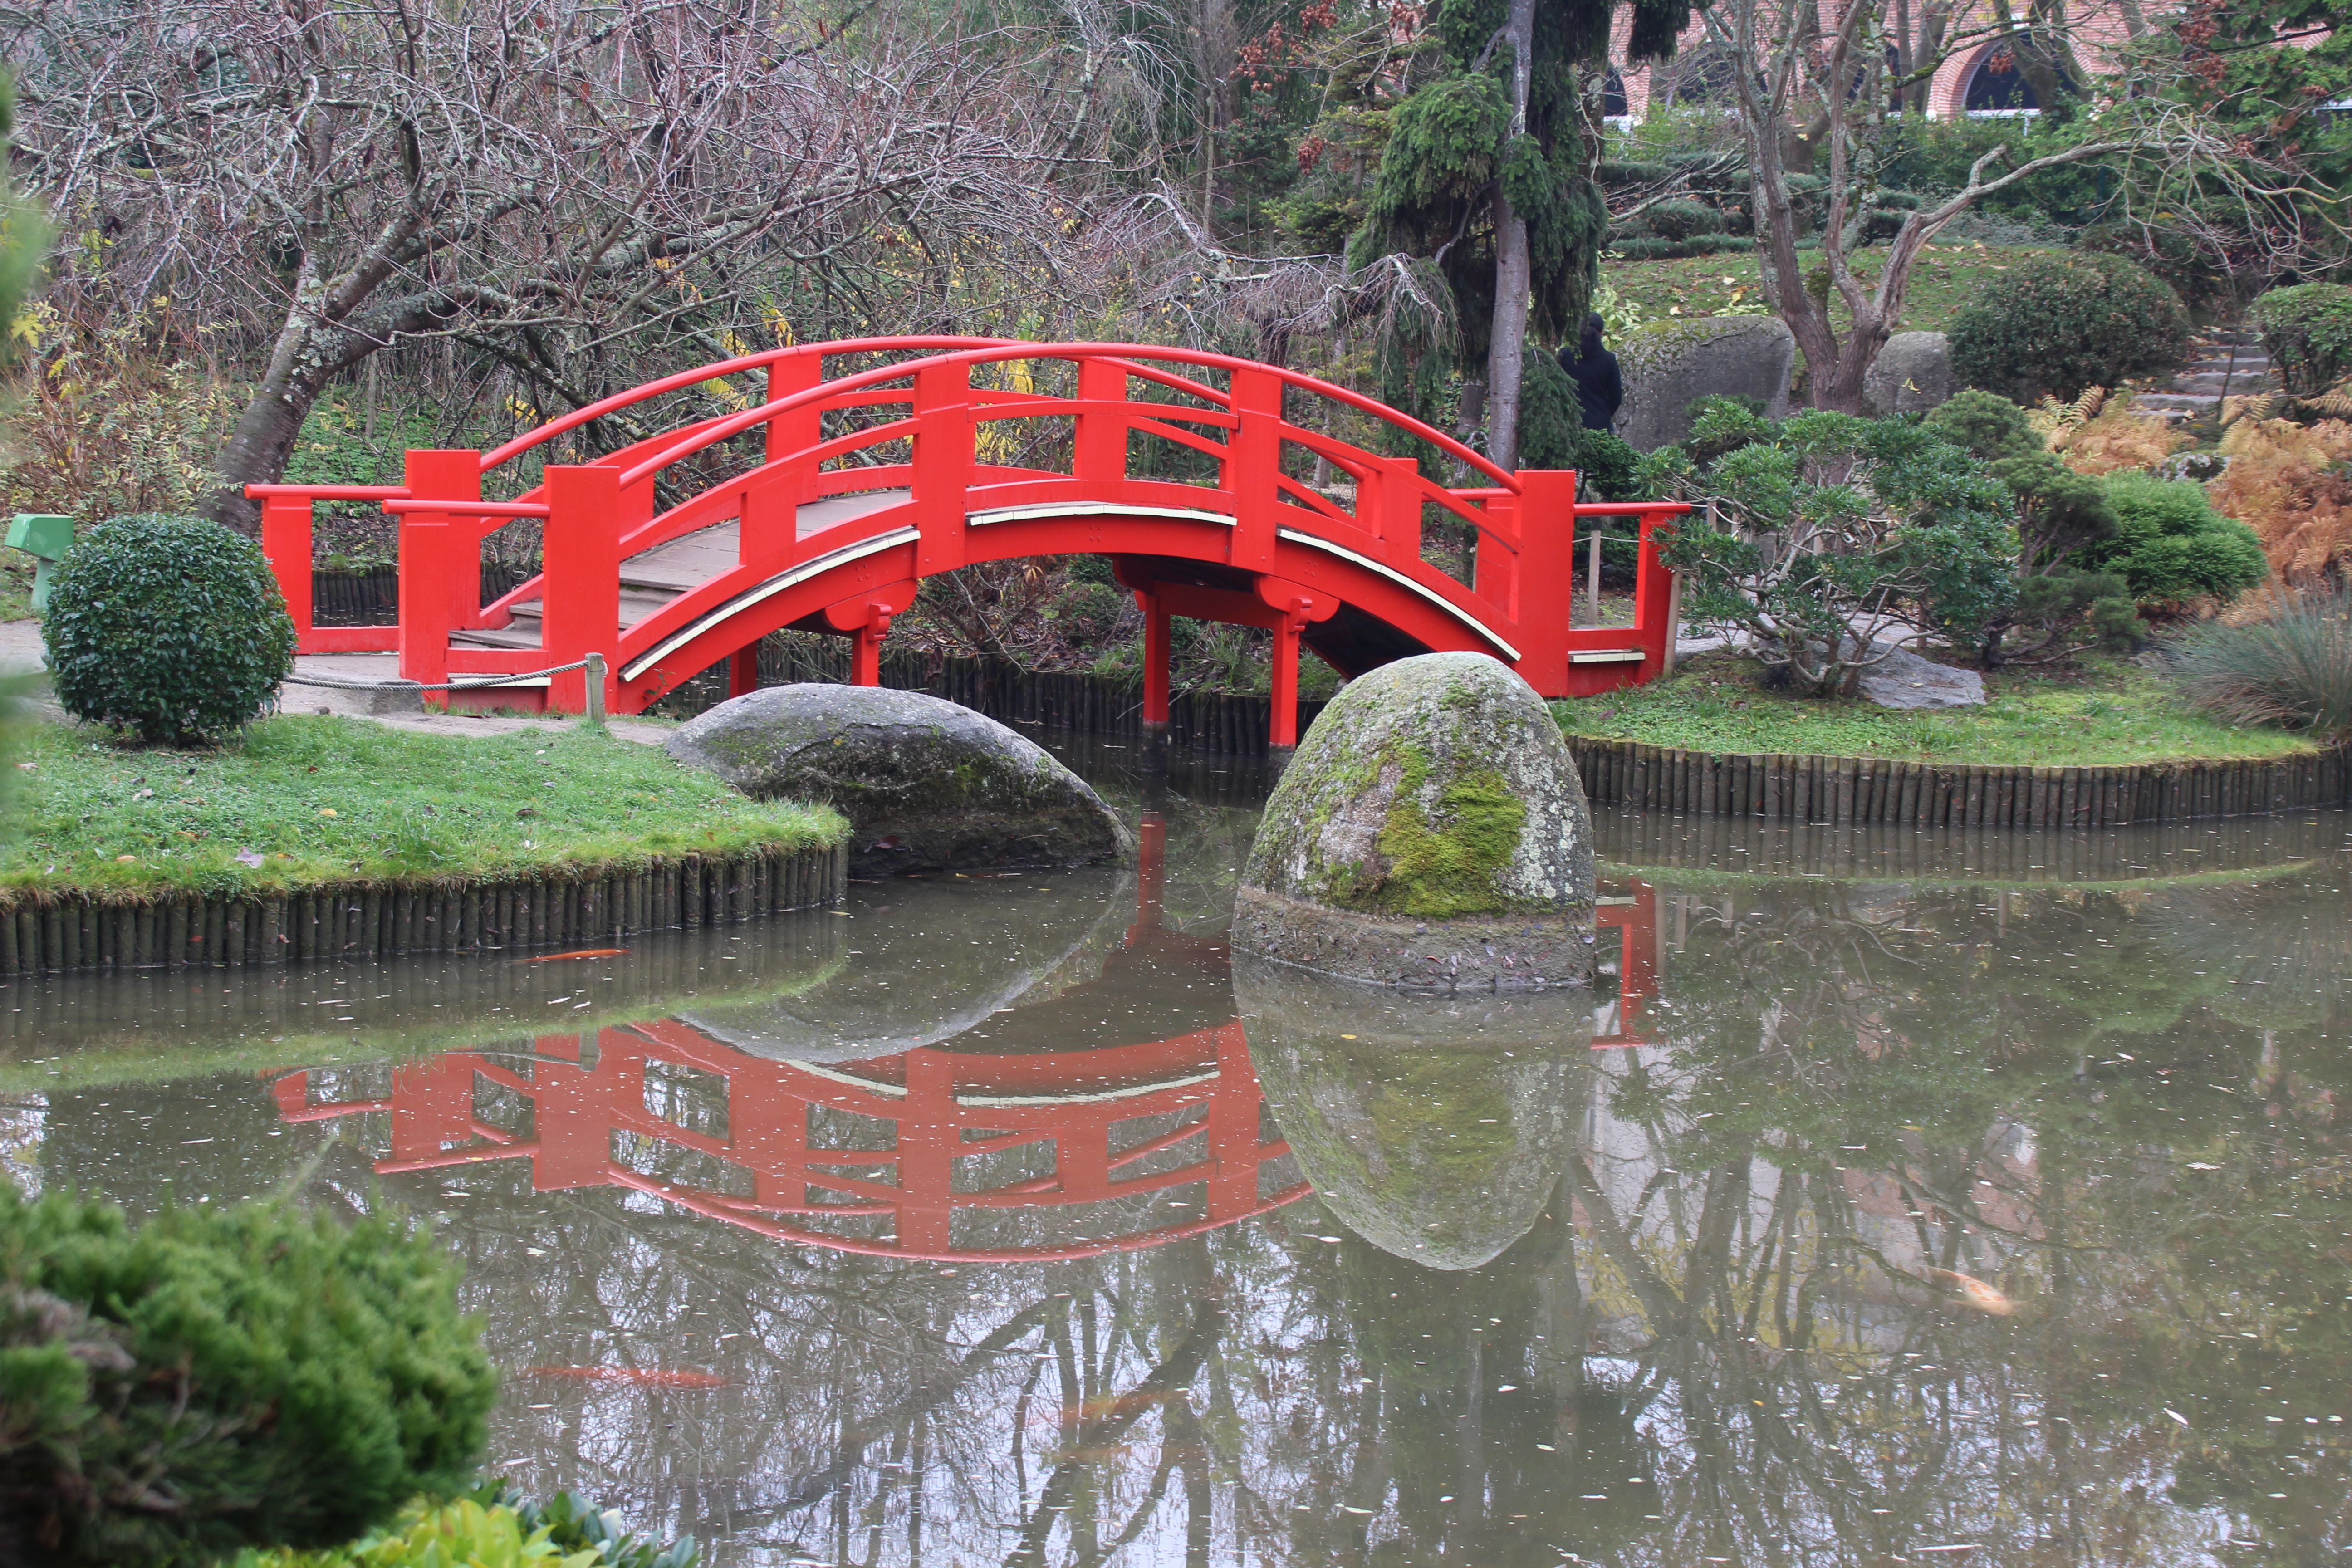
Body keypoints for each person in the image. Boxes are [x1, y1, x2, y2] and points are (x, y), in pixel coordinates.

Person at [1559, 313, 1622, 433]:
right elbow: (1616, 397)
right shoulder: (1609, 359)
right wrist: (1604, 413)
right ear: (1601, 333)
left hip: (1569, 423)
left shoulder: (1565, 355)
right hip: (1600, 425)